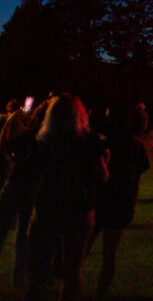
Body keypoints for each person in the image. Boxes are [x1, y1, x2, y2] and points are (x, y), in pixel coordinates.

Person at [27, 94, 106, 301]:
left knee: (38, 271)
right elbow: (102, 175)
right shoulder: (89, 140)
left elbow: (31, 175)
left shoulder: (42, 140)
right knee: (72, 271)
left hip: (47, 207)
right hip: (79, 209)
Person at [93, 104, 150, 298]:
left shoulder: (105, 142)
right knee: (110, 253)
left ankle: (71, 288)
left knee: (81, 249)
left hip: (100, 198)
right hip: (120, 201)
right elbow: (138, 175)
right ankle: (100, 293)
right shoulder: (136, 146)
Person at [0, 101, 42, 291]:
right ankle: (19, 278)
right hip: (26, 187)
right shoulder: (27, 138)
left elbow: (9, 140)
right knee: (20, 232)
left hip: (19, 186)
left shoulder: (23, 138)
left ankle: (19, 277)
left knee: (10, 229)